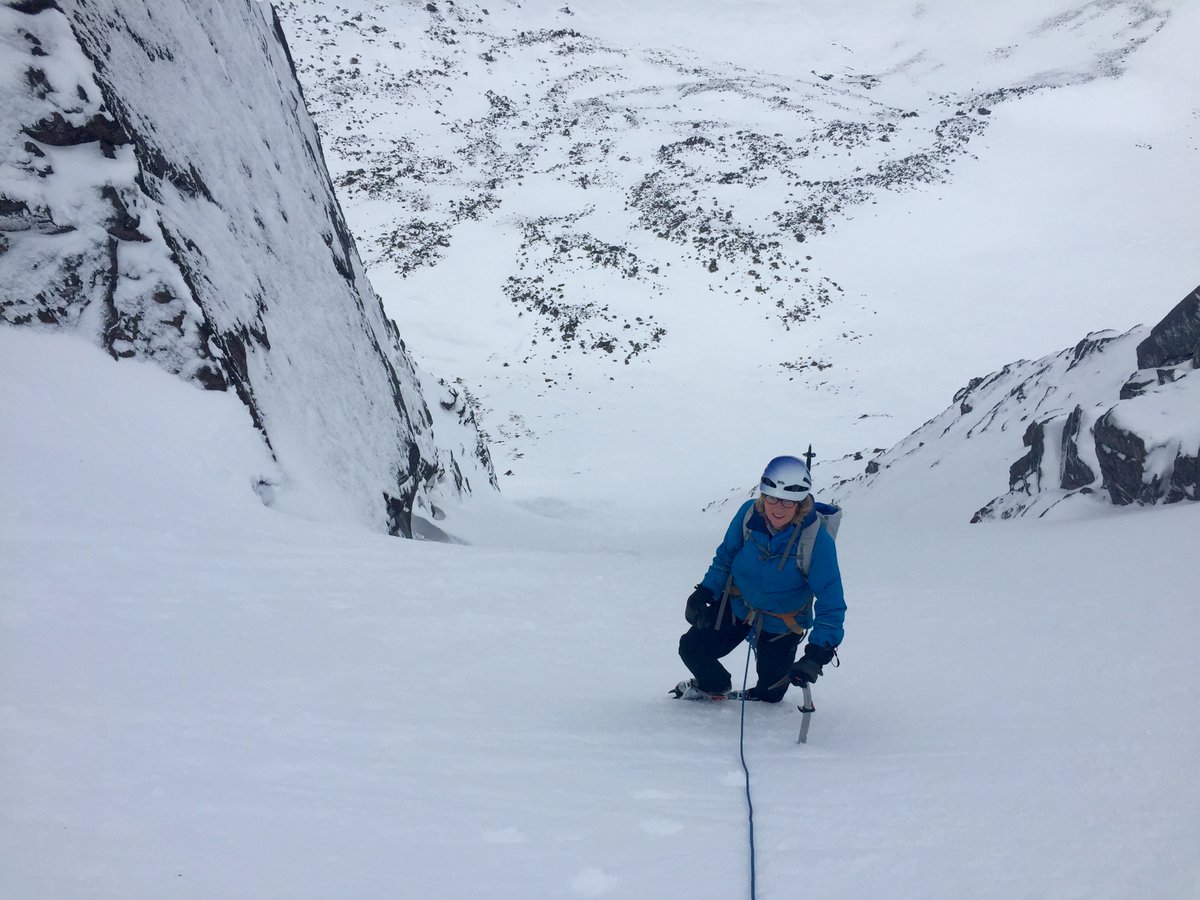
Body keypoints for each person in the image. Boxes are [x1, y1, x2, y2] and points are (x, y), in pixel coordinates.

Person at [673, 455, 846, 702]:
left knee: (771, 694)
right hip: (738, 607)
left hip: (782, 622)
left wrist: (818, 652)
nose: (778, 507)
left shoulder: (816, 541)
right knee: (692, 648)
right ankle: (714, 685)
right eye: (772, 497)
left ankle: (767, 685)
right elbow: (725, 559)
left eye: (788, 501)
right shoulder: (748, 515)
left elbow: (831, 601)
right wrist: (704, 592)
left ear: (800, 503)